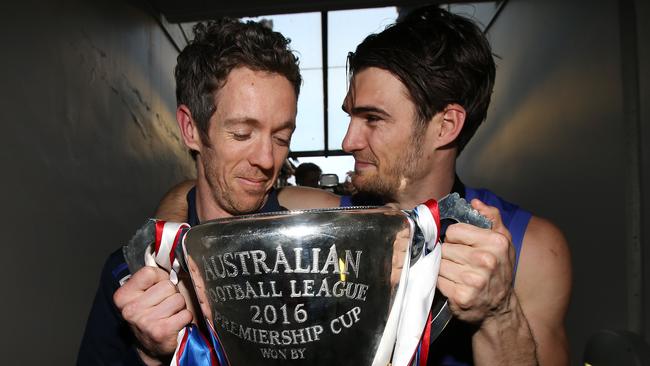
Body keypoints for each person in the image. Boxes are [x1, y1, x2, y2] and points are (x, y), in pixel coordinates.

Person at [114, 6, 572, 366]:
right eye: (351, 114)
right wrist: (168, 252)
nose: (348, 140)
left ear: (446, 125)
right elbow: (200, 190)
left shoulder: (530, 248)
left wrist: (499, 310)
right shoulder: (322, 215)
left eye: (372, 118)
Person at [77, 18, 338, 366]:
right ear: (190, 129)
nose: (266, 160)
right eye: (243, 134)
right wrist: (150, 355)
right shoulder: (132, 275)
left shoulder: (316, 253)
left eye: (281, 138)